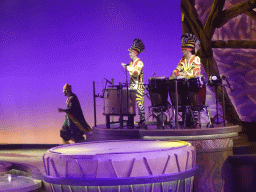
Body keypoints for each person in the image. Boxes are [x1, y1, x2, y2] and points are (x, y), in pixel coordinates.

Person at [171, 34, 202, 128]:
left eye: (183, 49)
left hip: (193, 85)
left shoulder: (195, 59)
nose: (182, 51)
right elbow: (177, 69)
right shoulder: (183, 60)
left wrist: (186, 74)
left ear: (188, 50)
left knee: (193, 101)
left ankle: (195, 121)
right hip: (184, 84)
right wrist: (174, 73)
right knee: (183, 99)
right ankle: (185, 119)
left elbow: (196, 72)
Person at [121, 38, 147, 129]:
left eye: (130, 53)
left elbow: (136, 73)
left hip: (138, 86)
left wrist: (127, 68)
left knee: (140, 104)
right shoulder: (131, 63)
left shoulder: (139, 62)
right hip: (132, 86)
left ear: (135, 53)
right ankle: (130, 120)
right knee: (129, 104)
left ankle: (142, 120)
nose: (129, 54)